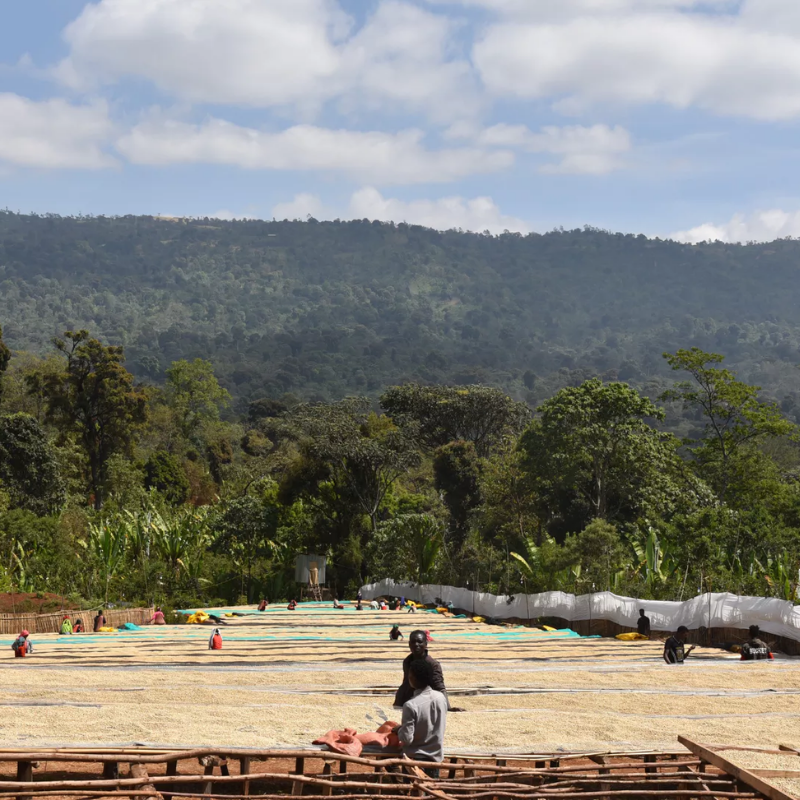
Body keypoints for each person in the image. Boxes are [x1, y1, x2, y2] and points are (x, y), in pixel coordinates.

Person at [392, 659, 447, 778]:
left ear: (413, 678)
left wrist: (399, 730)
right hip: (435, 757)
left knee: (414, 793)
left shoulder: (411, 705)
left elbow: (407, 739)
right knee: (431, 791)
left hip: (416, 759)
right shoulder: (441, 698)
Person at [394, 630, 449, 709]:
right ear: (409, 644)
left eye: (420, 642)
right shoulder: (407, 661)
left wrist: (447, 707)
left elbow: (440, 687)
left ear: (426, 644)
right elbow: (406, 682)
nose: (416, 645)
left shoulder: (433, 664)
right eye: (413, 642)